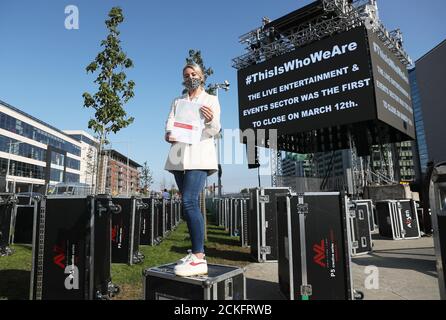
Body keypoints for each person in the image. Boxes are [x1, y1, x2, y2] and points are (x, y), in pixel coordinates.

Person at [164, 63, 221, 277]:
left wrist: (210, 119)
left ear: (202, 76)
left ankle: (199, 256)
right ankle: (194, 253)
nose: (190, 77)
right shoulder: (178, 101)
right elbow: (169, 124)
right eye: (186, 75)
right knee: (185, 205)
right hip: (179, 154)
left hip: (199, 154)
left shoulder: (211, 99)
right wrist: (168, 134)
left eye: (194, 74)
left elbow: (215, 130)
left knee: (189, 200)